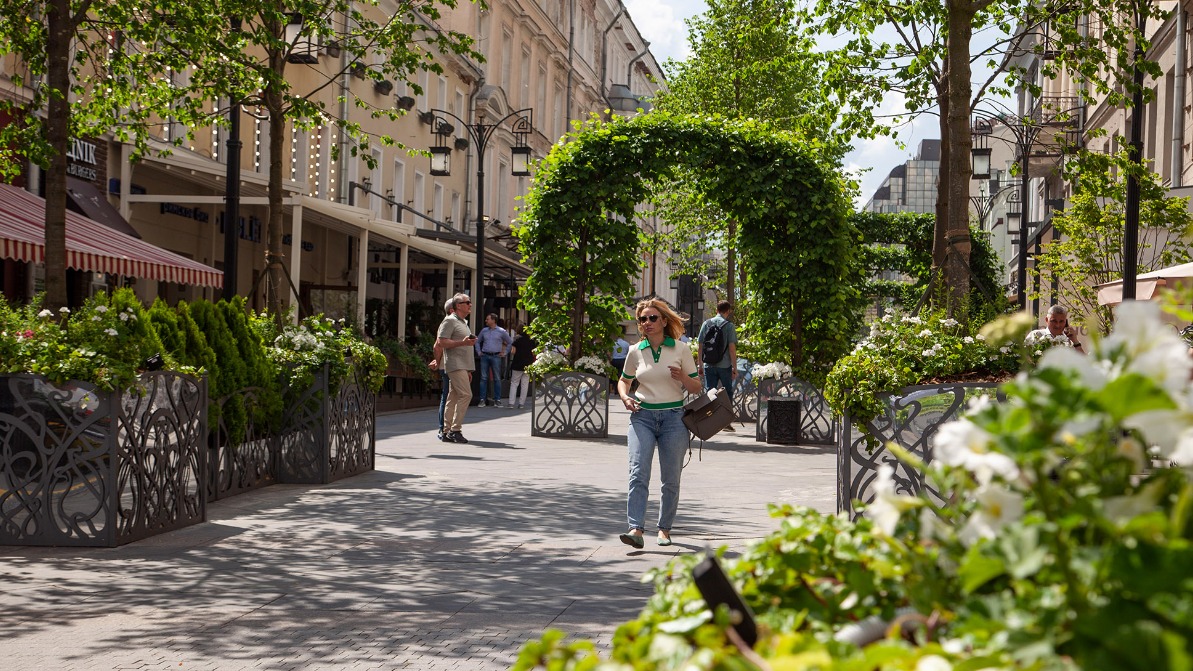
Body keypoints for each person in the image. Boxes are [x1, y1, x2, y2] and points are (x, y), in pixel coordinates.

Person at [616, 298, 703, 549]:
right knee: (638, 473)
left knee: (670, 479)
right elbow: (624, 381)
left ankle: (664, 529)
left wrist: (683, 376)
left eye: (653, 318)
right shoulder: (635, 351)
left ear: (664, 321)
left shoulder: (680, 349)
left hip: (673, 418)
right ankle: (636, 529)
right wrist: (624, 397)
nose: (647, 323)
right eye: (643, 319)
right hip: (642, 416)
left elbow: (696, 387)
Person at [436, 294, 476, 443]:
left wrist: (468, 369)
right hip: (454, 364)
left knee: (453, 396)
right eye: (467, 302)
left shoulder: (463, 322)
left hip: (461, 365)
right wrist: (463, 343)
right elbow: (441, 342)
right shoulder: (450, 321)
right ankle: (455, 430)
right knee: (466, 395)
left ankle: (446, 431)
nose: (470, 305)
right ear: (458, 305)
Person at [696, 301, 739, 431]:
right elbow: (732, 349)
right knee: (727, 392)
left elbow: (700, 346)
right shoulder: (729, 326)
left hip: (709, 364)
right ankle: (726, 422)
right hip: (724, 365)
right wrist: (734, 367)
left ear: (716, 310)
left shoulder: (706, 323)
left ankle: (710, 420)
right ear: (728, 311)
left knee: (710, 391)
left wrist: (700, 365)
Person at [428, 297, 454, 441]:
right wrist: (438, 362)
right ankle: (443, 428)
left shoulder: (453, 323)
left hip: (453, 366)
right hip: (448, 366)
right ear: (452, 310)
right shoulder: (448, 323)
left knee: (450, 397)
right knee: (447, 396)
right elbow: (437, 345)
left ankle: (448, 428)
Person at [474, 313, 512, 407]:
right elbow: (477, 341)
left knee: (497, 378)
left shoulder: (501, 331)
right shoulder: (484, 331)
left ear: (493, 320)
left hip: (496, 356)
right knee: (483, 378)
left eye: (488, 319)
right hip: (485, 355)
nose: (486, 321)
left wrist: (505, 352)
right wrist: (479, 352)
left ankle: (497, 399)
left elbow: (510, 342)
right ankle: (482, 399)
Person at [509, 326, 536, 410]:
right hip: (528, 363)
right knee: (525, 384)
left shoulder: (516, 339)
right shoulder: (531, 340)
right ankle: (521, 403)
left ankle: (511, 403)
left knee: (514, 383)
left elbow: (513, 351)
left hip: (517, 363)